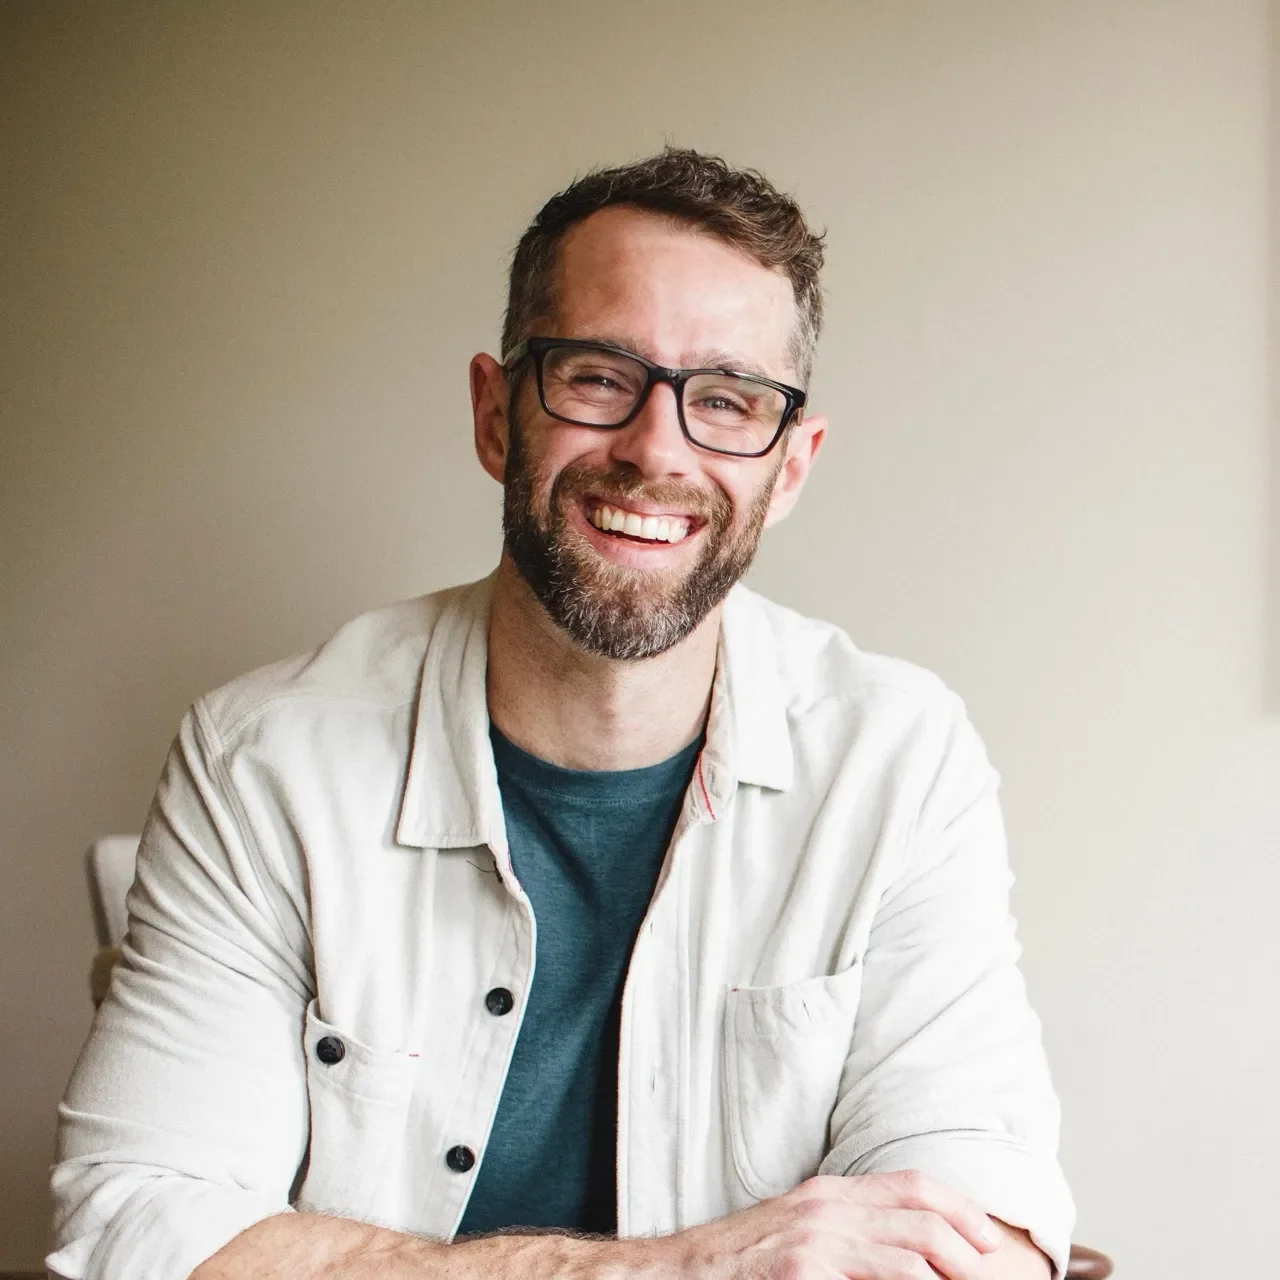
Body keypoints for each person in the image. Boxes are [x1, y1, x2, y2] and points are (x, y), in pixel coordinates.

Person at [50, 148, 1073, 1280]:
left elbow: (975, 1206)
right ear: (496, 413)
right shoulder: (261, 762)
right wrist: (670, 1268)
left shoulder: (896, 758)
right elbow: (137, 1219)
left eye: (726, 400)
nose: (655, 447)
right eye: (596, 376)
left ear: (789, 469)